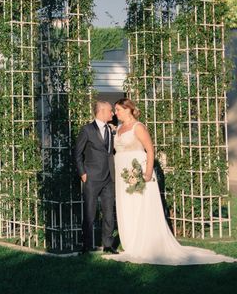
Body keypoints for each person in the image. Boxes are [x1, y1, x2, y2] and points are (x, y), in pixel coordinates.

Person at [103, 97, 236, 264]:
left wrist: (148, 172)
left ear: (128, 109)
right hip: (123, 174)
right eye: (115, 111)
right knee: (127, 207)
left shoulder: (139, 127)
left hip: (139, 172)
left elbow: (150, 150)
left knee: (140, 207)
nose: (116, 113)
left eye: (118, 110)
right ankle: (130, 242)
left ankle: (145, 242)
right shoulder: (120, 128)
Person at [74, 100, 117, 254]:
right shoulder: (86, 130)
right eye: (110, 111)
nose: (112, 113)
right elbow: (77, 153)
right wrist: (83, 174)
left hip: (109, 178)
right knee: (90, 213)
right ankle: (86, 245)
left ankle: (108, 245)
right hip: (91, 178)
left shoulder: (111, 129)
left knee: (108, 213)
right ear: (102, 111)